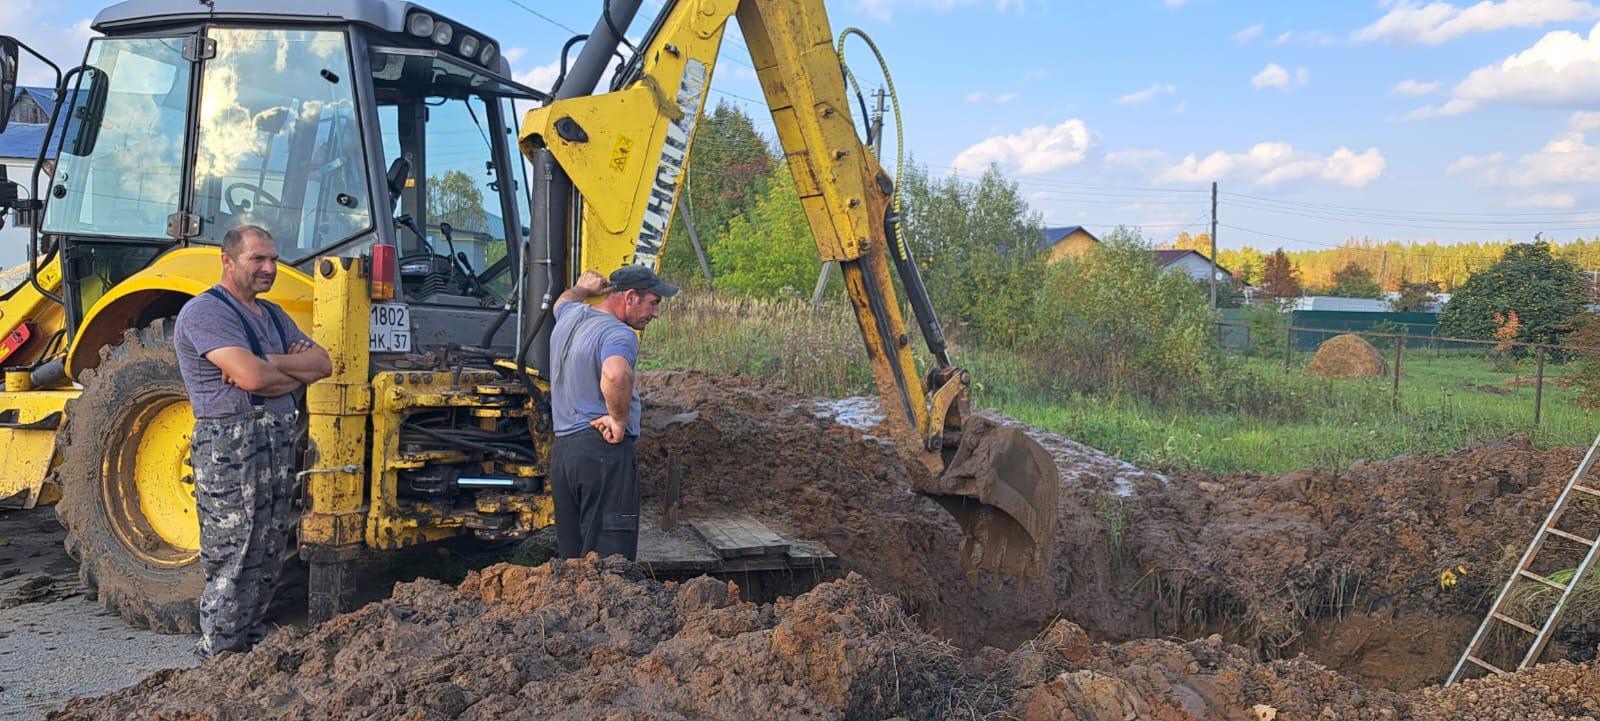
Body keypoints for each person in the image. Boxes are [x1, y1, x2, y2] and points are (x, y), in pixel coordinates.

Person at [173, 224, 332, 659]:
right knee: (235, 550)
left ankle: (250, 647)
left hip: (276, 439)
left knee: (268, 544)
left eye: (274, 260)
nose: (269, 268)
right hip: (231, 443)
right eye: (257, 259)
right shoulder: (206, 313)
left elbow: (322, 364)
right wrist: (280, 372)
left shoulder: (275, 316)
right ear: (227, 261)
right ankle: (219, 655)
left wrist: (266, 362)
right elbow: (252, 379)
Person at [548, 264, 677, 561]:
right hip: (603, 452)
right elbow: (616, 374)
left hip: (564, 455)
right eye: (653, 303)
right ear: (630, 297)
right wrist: (618, 420)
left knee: (574, 565)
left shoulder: (572, 317)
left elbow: (561, 302)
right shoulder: (619, 334)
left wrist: (583, 288)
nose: (655, 313)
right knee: (610, 569)